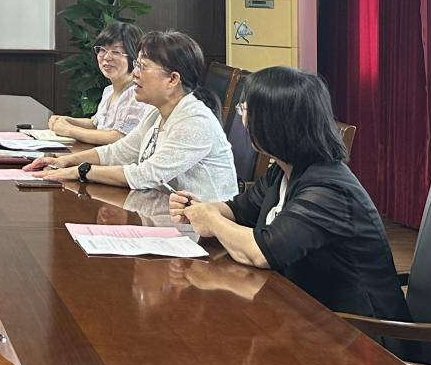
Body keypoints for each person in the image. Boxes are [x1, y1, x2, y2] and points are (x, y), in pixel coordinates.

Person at [169, 66, 410, 321]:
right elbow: (240, 210)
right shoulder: (284, 170)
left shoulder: (328, 190)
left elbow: (262, 253)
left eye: (245, 110)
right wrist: (200, 208)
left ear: (273, 123)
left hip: (360, 331)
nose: (242, 119)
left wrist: (212, 221)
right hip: (307, 311)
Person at [24, 30, 237, 200]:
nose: (134, 73)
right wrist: (64, 161)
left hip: (203, 230)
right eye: (136, 65)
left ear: (172, 79)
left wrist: (81, 171)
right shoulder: (156, 111)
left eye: (143, 66)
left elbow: (145, 175)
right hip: (164, 213)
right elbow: (120, 151)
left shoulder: (195, 121)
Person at [44, 23, 148, 145]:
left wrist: (69, 130)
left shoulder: (136, 92)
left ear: (134, 56)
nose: (107, 57)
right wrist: (67, 120)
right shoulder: (109, 90)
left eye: (116, 52)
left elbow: (118, 137)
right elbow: (96, 124)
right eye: (102, 50)